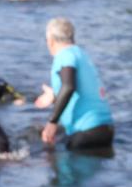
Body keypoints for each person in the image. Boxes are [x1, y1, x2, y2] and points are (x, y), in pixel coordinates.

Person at [34, 18, 114, 150]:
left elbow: (69, 87)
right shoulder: (81, 54)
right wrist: (54, 96)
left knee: (54, 162)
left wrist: (52, 122)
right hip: (105, 129)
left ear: (51, 40)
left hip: (86, 132)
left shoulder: (64, 55)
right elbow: (79, 89)